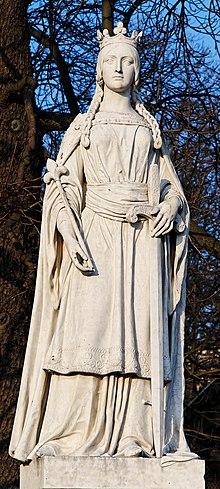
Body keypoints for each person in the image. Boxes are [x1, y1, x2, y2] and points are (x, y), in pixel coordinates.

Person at [9, 22, 192, 463]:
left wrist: (171, 206)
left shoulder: (151, 128)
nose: (120, 66)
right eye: (111, 59)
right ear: (98, 69)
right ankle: (68, 433)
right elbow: (65, 183)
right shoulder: (82, 125)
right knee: (86, 328)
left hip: (143, 240)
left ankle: (134, 434)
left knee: (137, 340)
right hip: (95, 239)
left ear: (138, 70)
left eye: (128, 60)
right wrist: (68, 226)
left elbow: (170, 186)